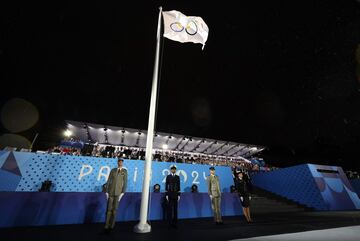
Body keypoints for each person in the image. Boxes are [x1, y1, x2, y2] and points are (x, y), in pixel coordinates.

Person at [103, 158, 127, 233]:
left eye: (121, 162)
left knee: (115, 210)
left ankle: (112, 226)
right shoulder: (113, 170)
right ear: (117, 162)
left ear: (122, 163)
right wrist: (106, 191)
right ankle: (106, 225)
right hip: (111, 192)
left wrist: (123, 192)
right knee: (109, 209)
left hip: (118, 193)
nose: (120, 163)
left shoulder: (124, 171)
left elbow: (125, 182)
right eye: (119, 161)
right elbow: (109, 180)